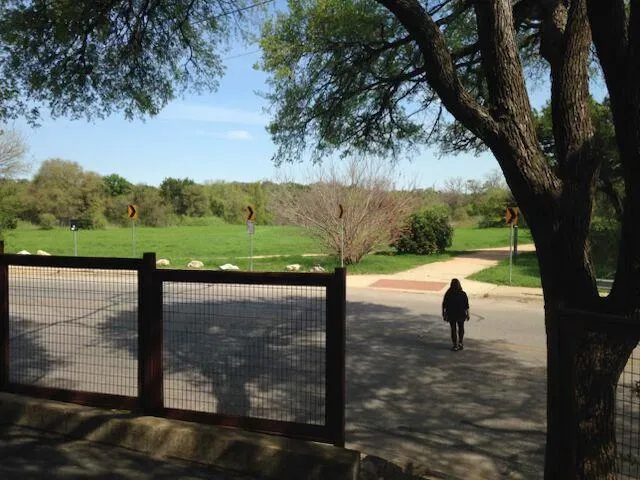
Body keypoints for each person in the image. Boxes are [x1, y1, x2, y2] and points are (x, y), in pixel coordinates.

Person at [442, 278, 470, 351]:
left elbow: (444, 305)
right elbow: (466, 305)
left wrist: (444, 314)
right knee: (461, 328)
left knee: (453, 329)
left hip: (451, 314)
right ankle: (460, 342)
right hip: (461, 313)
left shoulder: (448, 293)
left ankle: (455, 345)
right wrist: (468, 314)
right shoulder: (463, 293)